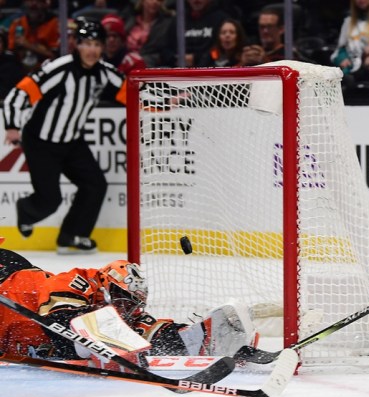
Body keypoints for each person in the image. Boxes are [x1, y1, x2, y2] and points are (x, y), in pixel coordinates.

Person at [0, 248, 257, 362]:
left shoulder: (122, 317)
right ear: (106, 287)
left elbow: (149, 332)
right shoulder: (77, 281)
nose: (127, 311)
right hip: (8, 283)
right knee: (85, 335)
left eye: (132, 306)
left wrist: (204, 336)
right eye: (123, 301)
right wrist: (94, 340)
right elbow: (62, 324)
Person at [2, 20, 125, 254]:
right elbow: (20, 93)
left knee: (95, 185)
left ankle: (72, 235)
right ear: (77, 45)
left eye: (97, 44)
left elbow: (133, 93)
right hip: (41, 142)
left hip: (72, 142)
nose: (92, 50)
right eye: (87, 43)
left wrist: (165, 101)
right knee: (50, 200)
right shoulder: (59, 69)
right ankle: (26, 209)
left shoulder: (105, 74)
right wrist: (11, 125)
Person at [6, 0, 59, 72]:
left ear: (45, 4)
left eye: (38, 1)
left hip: (47, 69)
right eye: (30, 0)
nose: (34, 4)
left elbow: (54, 56)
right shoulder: (18, 23)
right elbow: (10, 51)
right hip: (20, 68)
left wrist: (28, 45)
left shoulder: (54, 23)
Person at [124, 0, 173, 68]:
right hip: (126, 63)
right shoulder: (130, 19)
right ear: (142, 1)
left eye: (159, 0)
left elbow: (165, 53)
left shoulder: (167, 24)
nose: (155, 2)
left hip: (151, 66)